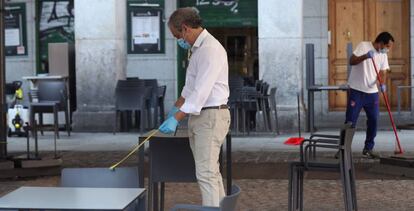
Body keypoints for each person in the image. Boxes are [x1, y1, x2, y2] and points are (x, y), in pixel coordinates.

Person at [159, 7, 231, 206]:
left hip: (211, 116)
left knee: (206, 173)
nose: (178, 41)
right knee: (211, 172)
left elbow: (201, 92)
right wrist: (174, 109)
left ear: (185, 28)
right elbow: (189, 88)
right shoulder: (198, 49)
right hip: (203, 117)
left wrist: (177, 118)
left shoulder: (210, 49)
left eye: (177, 36)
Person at [346, 32, 394, 159]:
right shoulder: (364, 46)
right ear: (381, 43)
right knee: (350, 121)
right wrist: (365, 56)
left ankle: (368, 148)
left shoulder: (383, 55)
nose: (387, 49)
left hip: (372, 93)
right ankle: (343, 149)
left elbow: (382, 72)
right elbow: (351, 61)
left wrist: (382, 84)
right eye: (387, 46)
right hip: (356, 90)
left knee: (374, 120)